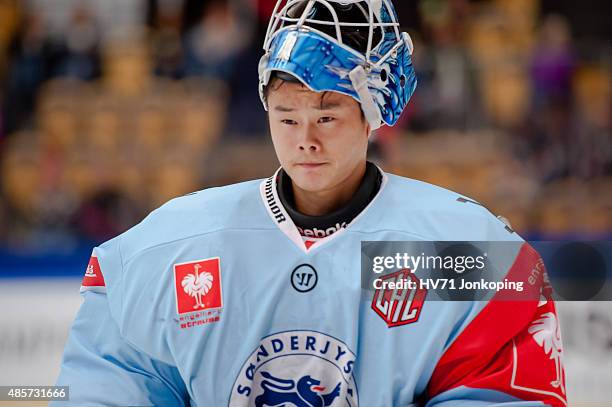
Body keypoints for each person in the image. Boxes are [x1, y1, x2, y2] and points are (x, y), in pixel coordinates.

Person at [53, 1, 567, 405]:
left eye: (326, 117)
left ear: (371, 116)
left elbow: (505, 394)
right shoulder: (171, 247)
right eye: (286, 117)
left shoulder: (459, 249)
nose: (305, 141)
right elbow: (108, 385)